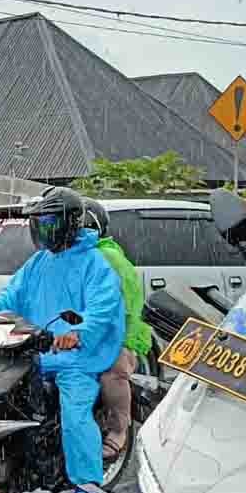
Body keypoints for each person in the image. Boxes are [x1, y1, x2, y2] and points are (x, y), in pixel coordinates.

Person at [0, 187, 124, 493]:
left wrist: (77, 334)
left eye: (49, 223)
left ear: (70, 223)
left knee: (75, 419)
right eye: (39, 224)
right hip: (34, 352)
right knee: (0, 402)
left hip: (78, 359)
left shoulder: (96, 264)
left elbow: (102, 311)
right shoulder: (38, 262)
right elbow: (11, 296)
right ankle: (8, 476)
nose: (43, 231)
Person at [82, 198, 151, 462]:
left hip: (116, 333)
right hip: (80, 331)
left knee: (112, 374)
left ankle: (119, 431)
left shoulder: (106, 256)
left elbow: (121, 305)